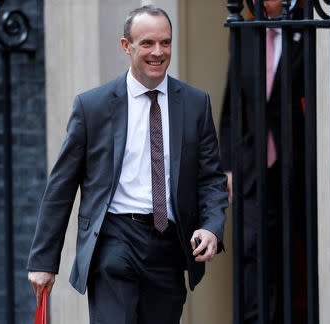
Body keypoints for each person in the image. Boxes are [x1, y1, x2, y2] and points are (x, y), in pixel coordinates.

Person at [27, 5, 228, 324]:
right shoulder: (92, 107)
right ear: (127, 46)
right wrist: (43, 261)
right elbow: (61, 188)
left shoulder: (194, 104)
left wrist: (211, 226)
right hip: (114, 241)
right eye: (147, 43)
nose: (158, 52)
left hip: (170, 245)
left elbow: (211, 180)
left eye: (165, 43)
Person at [219, 1, 306, 323]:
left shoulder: (307, 28)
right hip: (253, 165)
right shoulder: (244, 32)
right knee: (255, 253)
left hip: (301, 163)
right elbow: (232, 106)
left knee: (304, 251)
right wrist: (226, 165)